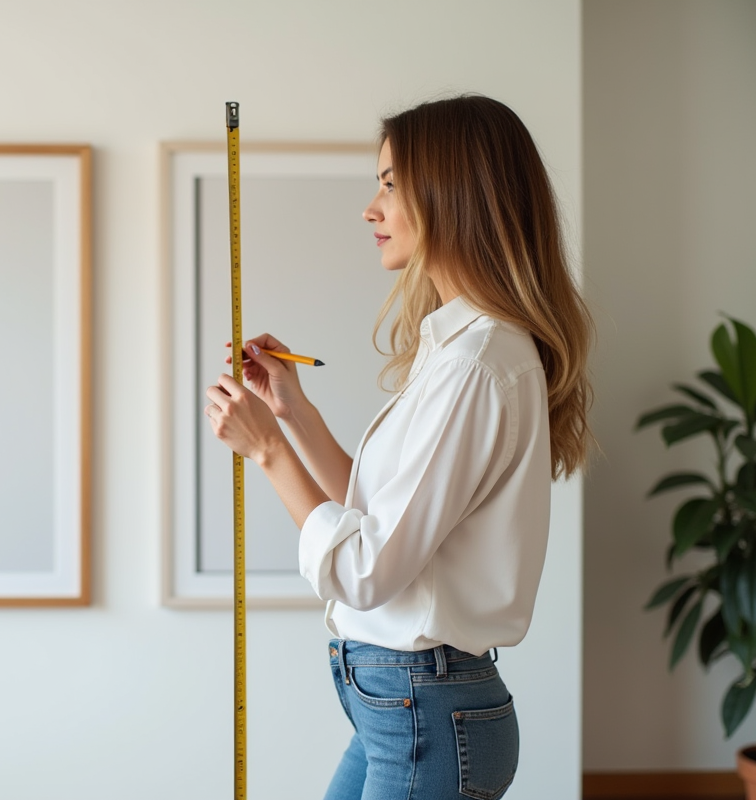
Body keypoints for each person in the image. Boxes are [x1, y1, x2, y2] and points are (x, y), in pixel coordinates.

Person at [203, 94, 593, 800]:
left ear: (453, 194)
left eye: (389, 183)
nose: (370, 208)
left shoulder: (478, 363)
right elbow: (386, 517)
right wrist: (293, 414)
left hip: (424, 709)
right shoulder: (458, 351)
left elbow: (368, 569)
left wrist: (269, 453)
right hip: (404, 710)